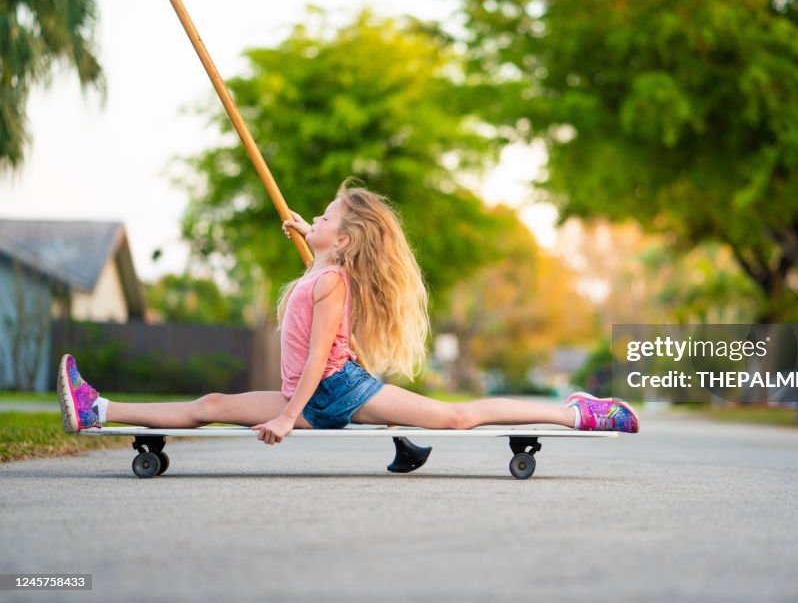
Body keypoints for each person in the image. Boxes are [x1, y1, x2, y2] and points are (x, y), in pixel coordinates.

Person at [57, 179, 639, 444]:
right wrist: (308, 237)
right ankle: (96, 408)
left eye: (325, 216)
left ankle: (577, 413)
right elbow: (319, 298)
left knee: (460, 418)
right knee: (212, 405)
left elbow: (318, 358)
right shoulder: (322, 269)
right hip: (312, 392)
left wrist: (289, 417)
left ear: (345, 237)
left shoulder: (332, 278)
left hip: (334, 391)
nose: (313, 219)